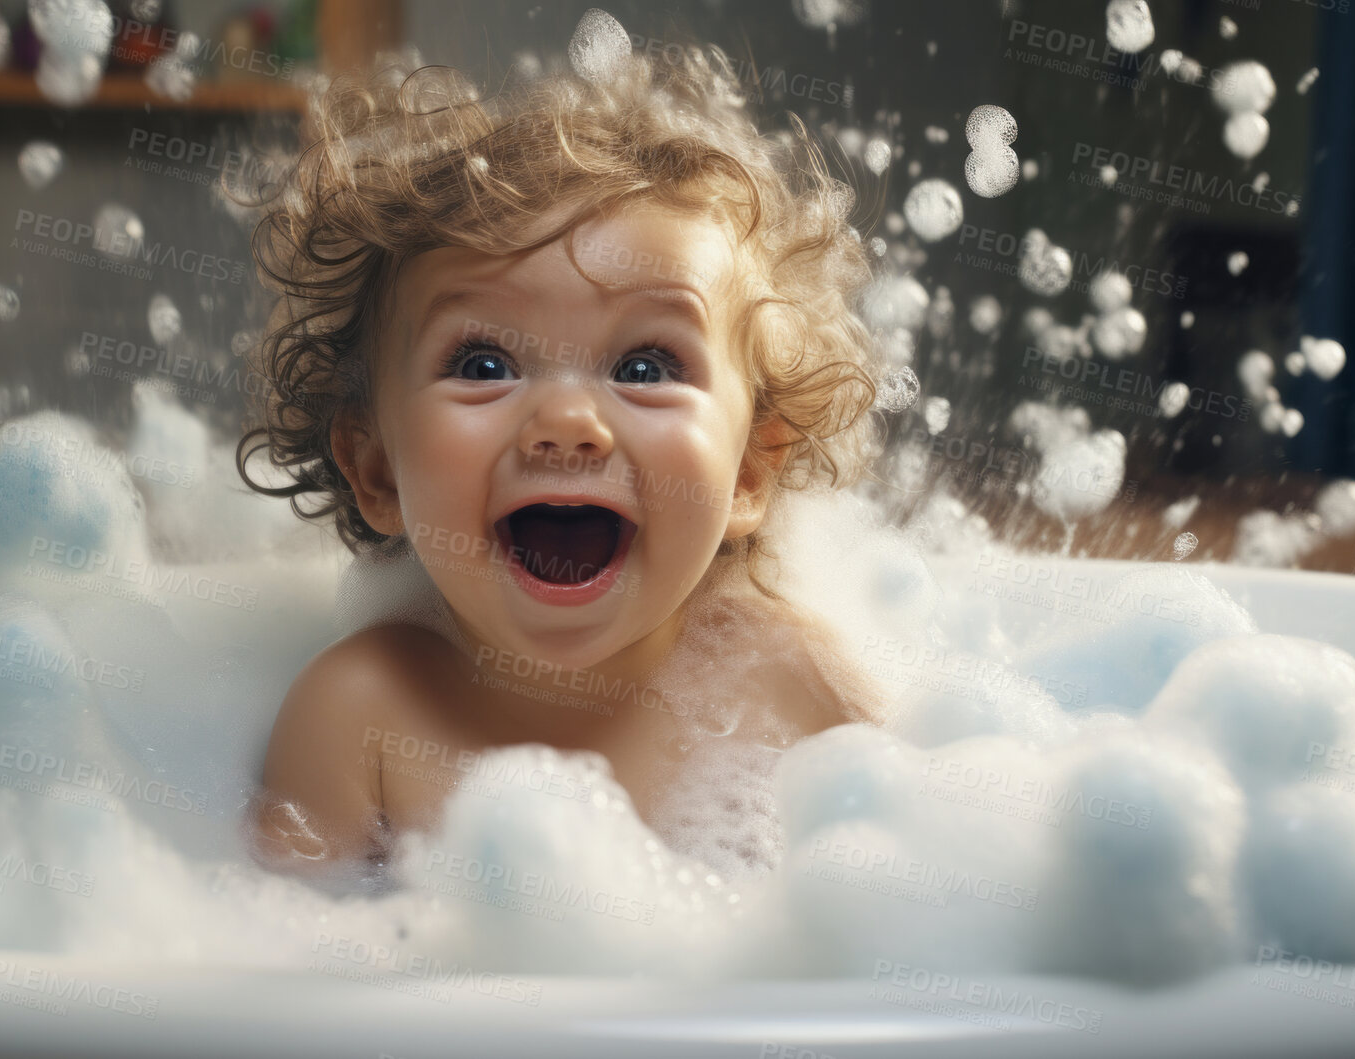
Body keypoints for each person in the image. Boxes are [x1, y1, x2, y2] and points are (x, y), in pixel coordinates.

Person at [239, 39, 887, 891]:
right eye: (482, 365)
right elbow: (260, 972)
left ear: (747, 476)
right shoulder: (359, 714)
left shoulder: (789, 682)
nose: (567, 423)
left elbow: (914, 903)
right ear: (377, 472)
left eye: (645, 367)